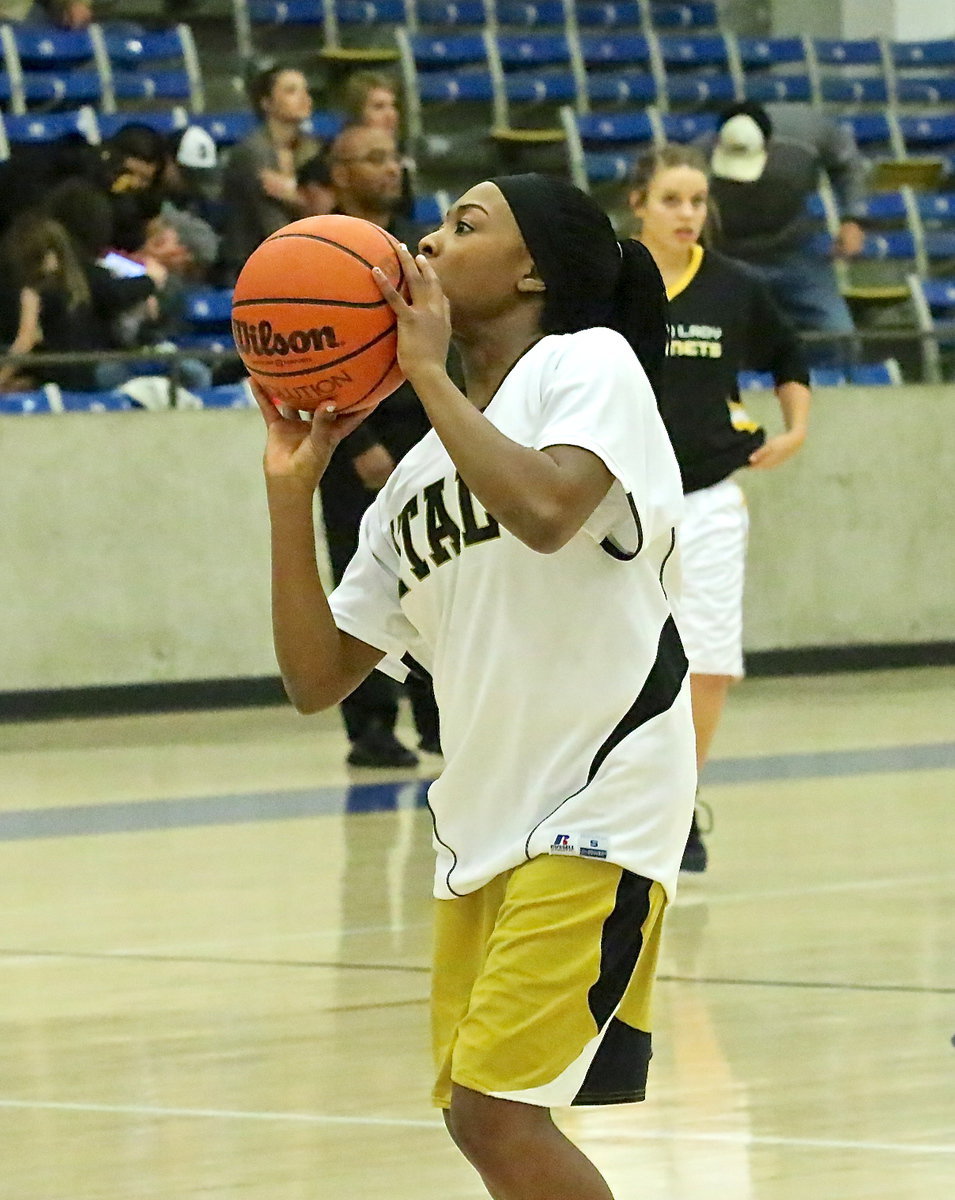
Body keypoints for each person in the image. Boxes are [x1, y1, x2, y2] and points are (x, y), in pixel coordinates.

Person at [251, 172, 697, 1200]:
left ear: (532, 266)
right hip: (484, 820)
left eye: (464, 225)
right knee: (477, 1118)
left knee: (496, 1113)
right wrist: (289, 499)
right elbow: (316, 677)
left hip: (602, 795)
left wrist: (425, 375)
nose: (429, 241)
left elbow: (547, 511)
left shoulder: (589, 366)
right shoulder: (413, 479)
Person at [630, 143, 811, 871]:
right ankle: (608, 801)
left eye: (698, 201)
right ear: (638, 201)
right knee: (619, 663)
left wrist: (795, 429)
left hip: (705, 500)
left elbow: (787, 355)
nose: (687, 214)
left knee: (705, 662)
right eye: (671, 199)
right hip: (613, 505)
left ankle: (680, 806)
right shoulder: (605, 283)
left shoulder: (733, 286)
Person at [318, 123, 438, 767]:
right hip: (349, 432)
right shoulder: (317, 252)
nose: (389, 168)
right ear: (338, 173)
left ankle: (438, 716)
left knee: (437, 573)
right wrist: (356, 437)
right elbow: (310, 351)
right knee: (359, 580)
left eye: (393, 156)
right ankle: (368, 726)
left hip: (424, 427)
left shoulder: (423, 243)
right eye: (372, 158)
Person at [702, 101, 866, 362]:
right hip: (728, 257)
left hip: (794, 252)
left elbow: (846, 162)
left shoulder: (807, 133)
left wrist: (853, 218)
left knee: (839, 335)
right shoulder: (699, 157)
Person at [221, 64, 320, 280]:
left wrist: (295, 197)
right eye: (291, 91)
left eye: (306, 91)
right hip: (252, 262)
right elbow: (270, 223)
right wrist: (306, 202)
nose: (304, 98)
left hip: (302, 256)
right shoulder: (252, 152)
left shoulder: (313, 147)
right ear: (266, 102)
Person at [0, 214, 92, 391]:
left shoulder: (33, 292)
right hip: (83, 376)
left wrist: (2, 376)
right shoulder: (77, 290)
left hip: (54, 381)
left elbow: (26, 340)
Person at [340, 69, 416, 218]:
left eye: (393, 106)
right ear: (356, 113)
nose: (391, 115)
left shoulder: (400, 163)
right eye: (379, 107)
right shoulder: (332, 160)